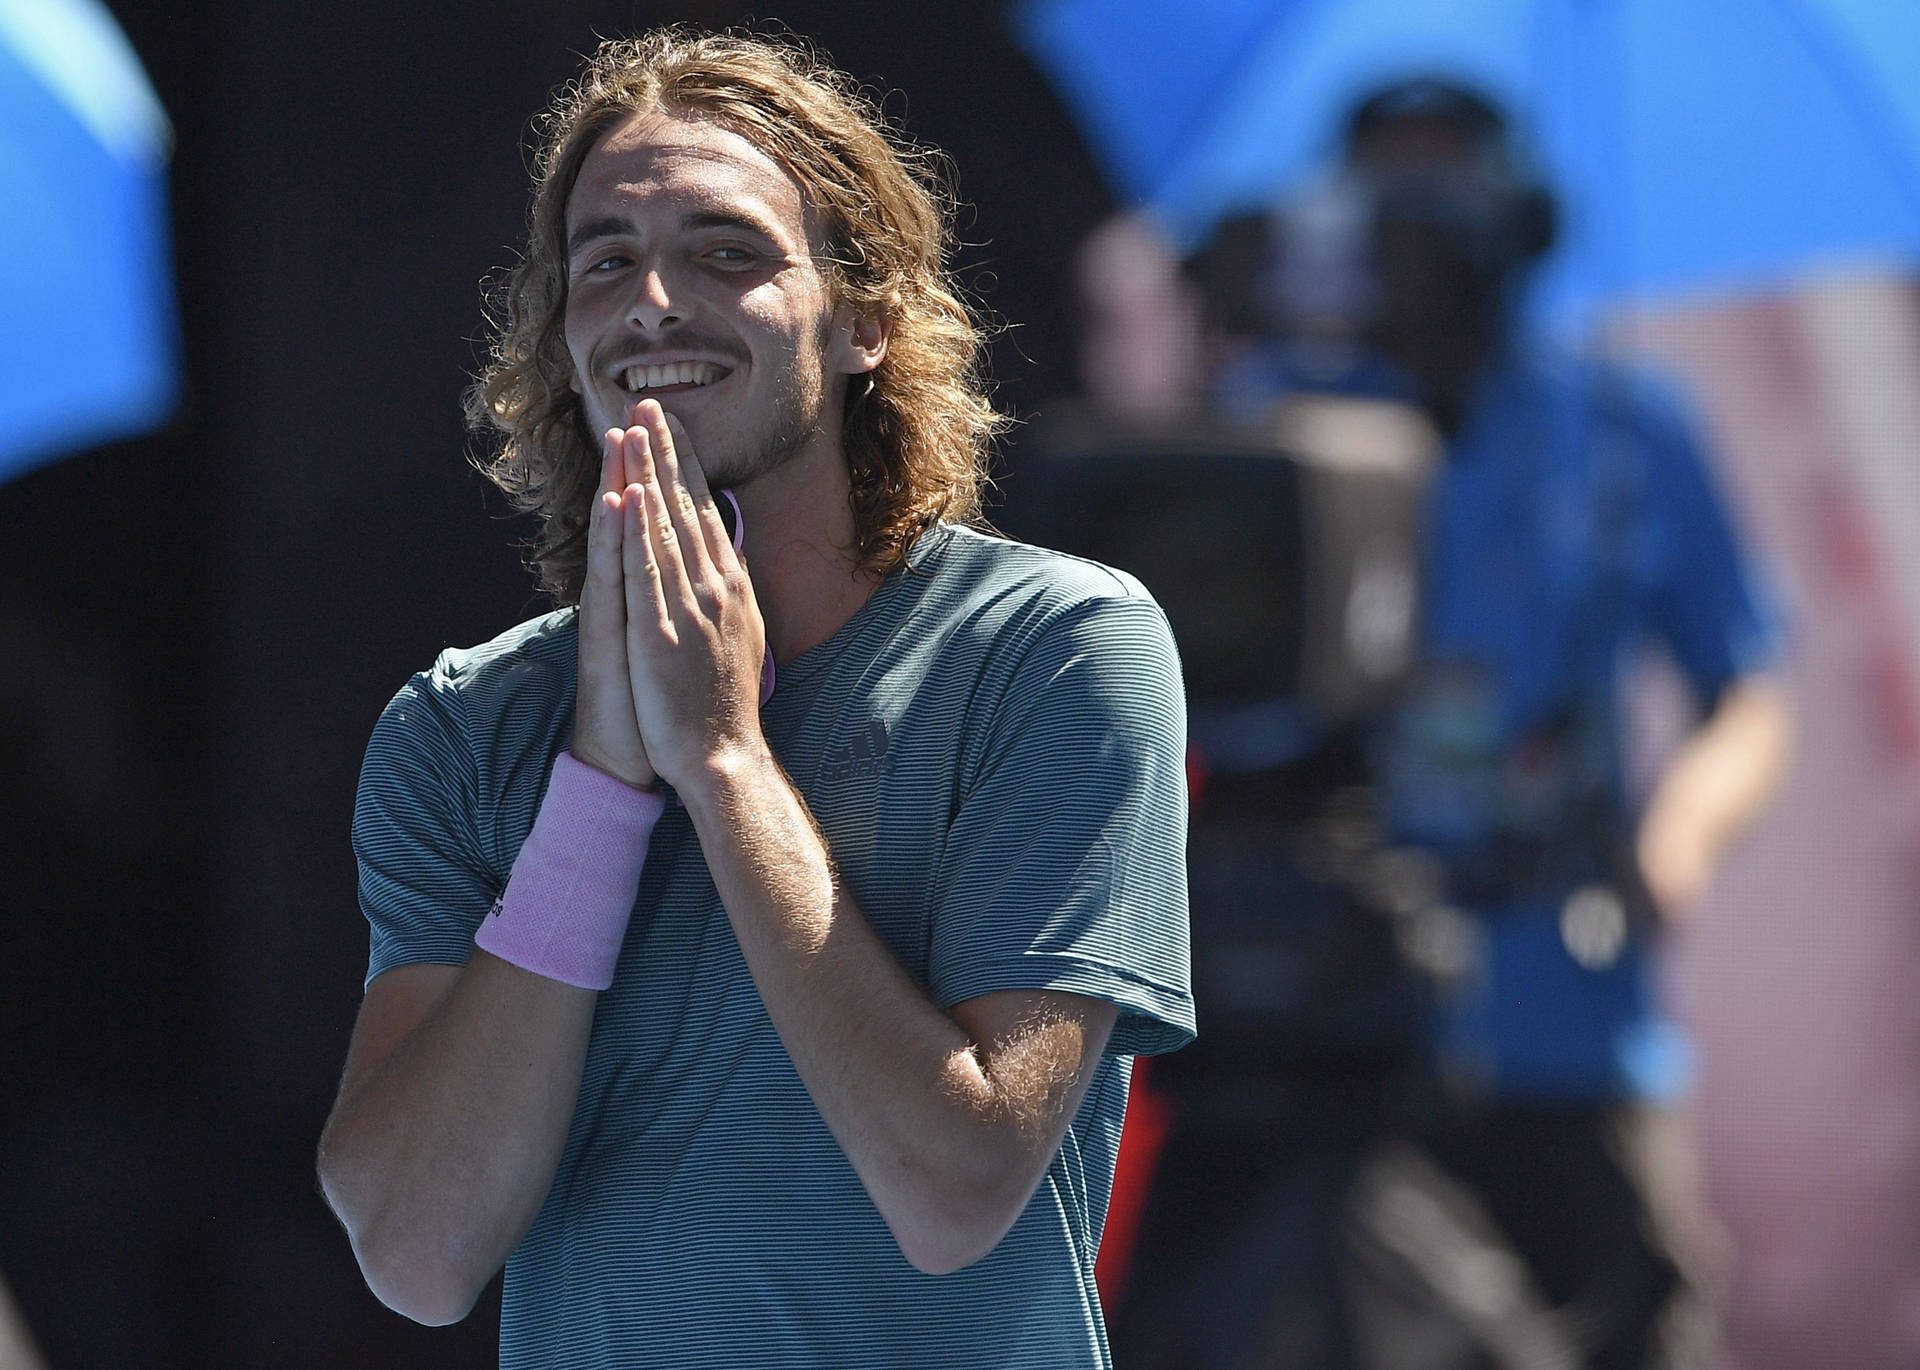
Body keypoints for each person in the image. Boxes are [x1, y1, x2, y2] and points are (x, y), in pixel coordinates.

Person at [314, 29, 1193, 1369]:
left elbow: (954, 1190)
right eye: (604, 261)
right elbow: (419, 1255)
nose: (653, 299)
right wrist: (601, 793)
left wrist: (722, 761)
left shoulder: (1058, 647)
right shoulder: (460, 724)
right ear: (565, 336)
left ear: (865, 319)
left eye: (728, 250)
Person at [1169, 80, 1793, 1367]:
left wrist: (1681, 833)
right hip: (1305, 1015)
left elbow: (1750, 688)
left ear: (1518, 223)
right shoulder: (1264, 416)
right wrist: (1209, 350)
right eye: (1379, 204)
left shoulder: (1624, 426)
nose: (1411, 241)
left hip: (1559, 1018)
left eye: (1440, 201)